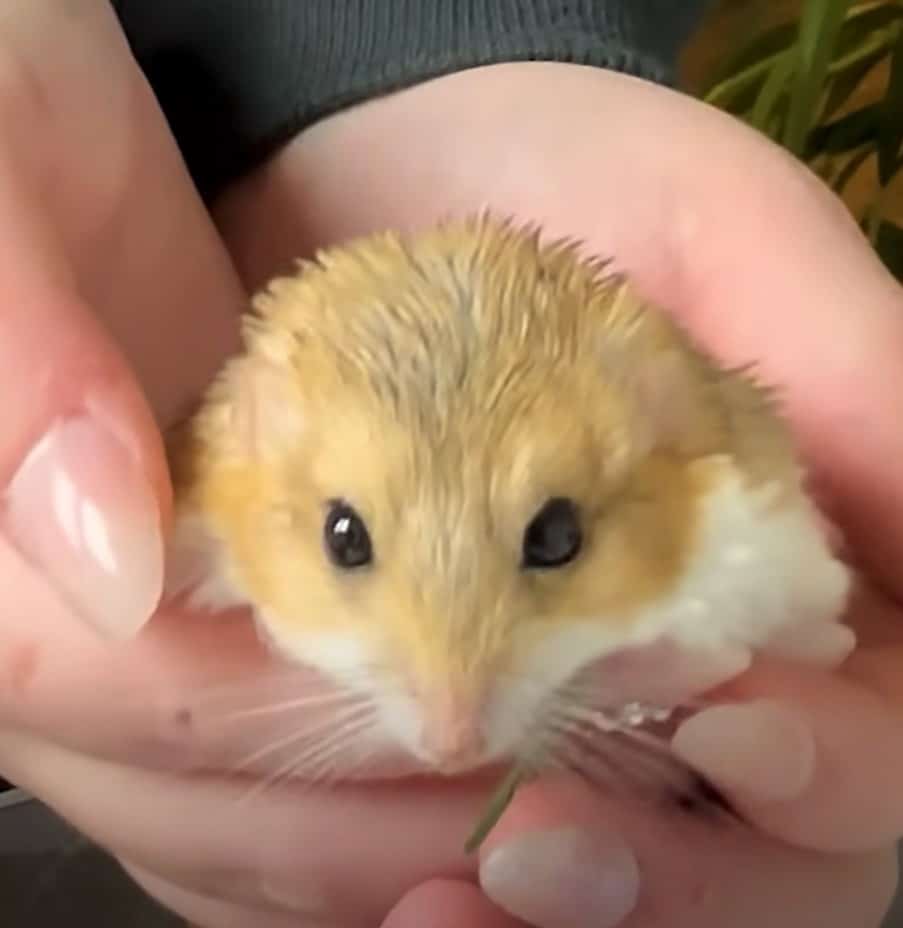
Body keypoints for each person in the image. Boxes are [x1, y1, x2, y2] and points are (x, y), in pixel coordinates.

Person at [0, 2, 901, 926]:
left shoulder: (674, 430)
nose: (449, 729)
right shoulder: (237, 446)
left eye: (551, 538)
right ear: (269, 435)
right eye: (348, 540)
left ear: (653, 417)